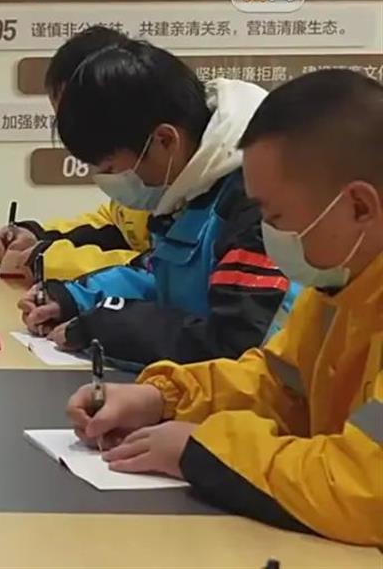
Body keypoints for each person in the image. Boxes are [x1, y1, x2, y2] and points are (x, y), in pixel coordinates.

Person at [65, 69, 383, 546]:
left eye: (275, 216)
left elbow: (364, 490)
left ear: (359, 206)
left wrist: (202, 450)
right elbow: (278, 382)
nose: (268, 235)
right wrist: (162, 398)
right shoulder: (343, 284)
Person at [22, 39, 294, 368]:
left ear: (164, 140)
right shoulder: (191, 187)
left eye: (111, 169)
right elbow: (163, 277)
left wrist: (108, 328)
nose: (108, 182)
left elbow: (233, 347)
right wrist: (74, 298)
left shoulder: (258, 204)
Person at [0, 26, 152, 281]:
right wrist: (38, 236)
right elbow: (115, 225)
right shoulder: (137, 177)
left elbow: (160, 270)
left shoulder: (193, 187)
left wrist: (47, 260)